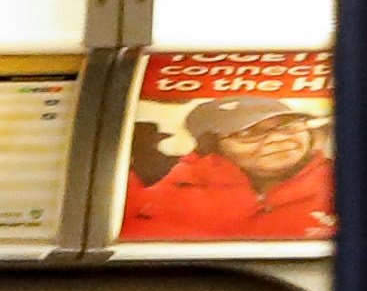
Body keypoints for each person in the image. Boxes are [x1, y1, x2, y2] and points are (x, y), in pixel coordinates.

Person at [121, 89, 333, 243]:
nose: (277, 139)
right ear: (213, 147)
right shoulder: (161, 200)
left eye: (288, 126)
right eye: (247, 133)